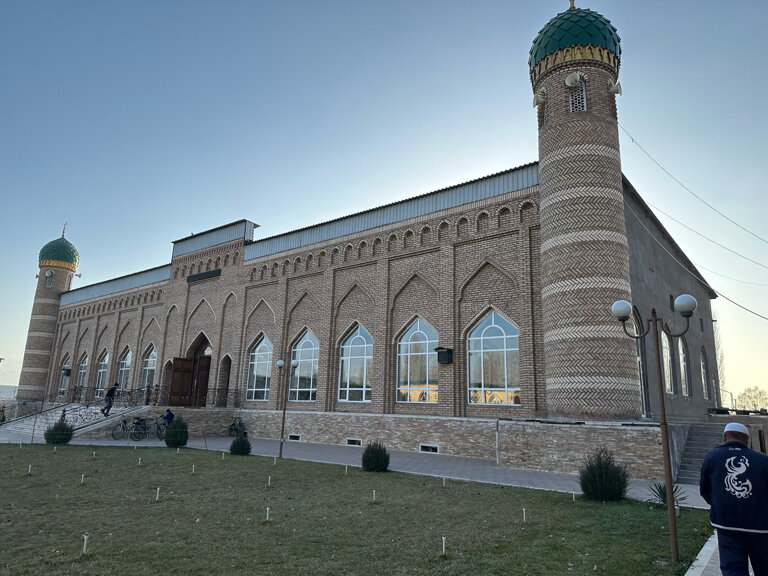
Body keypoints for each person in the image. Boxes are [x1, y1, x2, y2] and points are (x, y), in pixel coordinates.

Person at [700, 422, 768, 576]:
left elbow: (705, 490)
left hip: (726, 526)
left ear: (724, 437)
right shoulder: (763, 460)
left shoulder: (712, 457)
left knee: (733, 571)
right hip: (760, 528)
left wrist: (721, 504)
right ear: (747, 440)